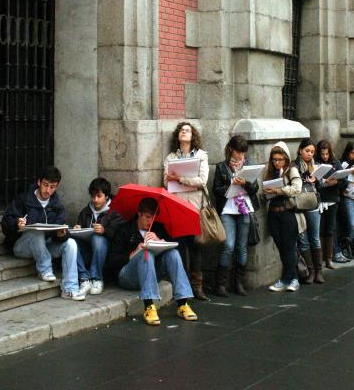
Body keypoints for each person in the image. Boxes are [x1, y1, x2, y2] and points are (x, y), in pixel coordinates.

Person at [108, 197, 198, 326]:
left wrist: (159, 240)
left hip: (151, 274)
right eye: (147, 217)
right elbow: (112, 260)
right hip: (127, 276)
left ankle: (182, 303)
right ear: (139, 214)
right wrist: (133, 253)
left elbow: (171, 247)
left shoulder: (158, 228)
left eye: (153, 218)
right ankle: (149, 306)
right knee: (146, 253)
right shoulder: (124, 229)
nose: (150, 221)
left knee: (173, 253)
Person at [1, 166, 85, 301]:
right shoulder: (24, 199)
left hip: (45, 246)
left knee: (71, 243)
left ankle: (70, 289)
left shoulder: (57, 206)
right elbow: (5, 222)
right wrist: (16, 222)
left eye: (52, 187)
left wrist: (62, 235)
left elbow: (61, 234)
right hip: (22, 246)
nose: (48, 190)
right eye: (45, 185)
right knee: (36, 233)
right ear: (39, 182)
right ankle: (45, 269)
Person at [163, 121, 209, 300]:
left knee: (196, 246)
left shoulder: (201, 156)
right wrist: (176, 180)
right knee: (180, 246)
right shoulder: (170, 158)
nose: (184, 132)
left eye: (187, 130)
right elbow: (167, 183)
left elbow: (202, 180)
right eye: (181, 130)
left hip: (196, 206)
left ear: (193, 135)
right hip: (177, 206)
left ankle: (197, 286)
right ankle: (182, 287)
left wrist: (180, 178)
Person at [213, 134, 259, 297]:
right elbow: (216, 190)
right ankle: (221, 284)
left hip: (245, 209)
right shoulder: (221, 167)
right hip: (228, 210)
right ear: (231, 149)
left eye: (243, 152)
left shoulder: (249, 165)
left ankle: (239, 283)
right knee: (228, 246)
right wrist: (231, 185)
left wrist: (245, 183)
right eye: (238, 152)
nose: (241, 156)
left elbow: (254, 189)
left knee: (242, 247)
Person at [263, 141, 306, 293]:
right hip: (273, 213)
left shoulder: (291, 170)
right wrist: (266, 192)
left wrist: (278, 191)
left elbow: (297, 189)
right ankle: (293, 278)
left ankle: (286, 279)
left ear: (286, 159)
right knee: (282, 247)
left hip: (289, 214)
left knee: (289, 247)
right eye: (274, 159)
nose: (276, 162)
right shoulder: (269, 172)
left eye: (279, 160)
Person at [74, 177, 125, 295]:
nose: (95, 200)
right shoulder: (85, 212)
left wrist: (104, 230)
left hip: (106, 254)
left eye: (98, 196)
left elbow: (118, 235)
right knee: (71, 242)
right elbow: (79, 228)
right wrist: (77, 228)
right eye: (93, 196)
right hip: (87, 251)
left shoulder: (115, 211)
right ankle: (84, 277)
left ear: (106, 196)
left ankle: (96, 278)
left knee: (98, 239)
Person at [295, 138, 324, 284]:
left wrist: (316, 179)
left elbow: (322, 186)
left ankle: (319, 271)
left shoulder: (315, 166)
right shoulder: (295, 166)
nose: (310, 154)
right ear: (300, 150)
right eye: (307, 151)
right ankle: (310, 271)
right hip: (299, 205)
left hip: (313, 204)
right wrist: (306, 174)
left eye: (312, 152)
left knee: (315, 237)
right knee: (303, 239)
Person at [315, 140, 346, 270]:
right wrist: (323, 181)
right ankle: (320, 258)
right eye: (322, 154)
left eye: (327, 154)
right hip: (320, 199)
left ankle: (329, 258)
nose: (325, 157)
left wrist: (336, 183)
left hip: (333, 199)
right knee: (319, 230)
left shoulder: (335, 163)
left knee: (330, 229)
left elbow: (344, 182)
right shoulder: (315, 163)